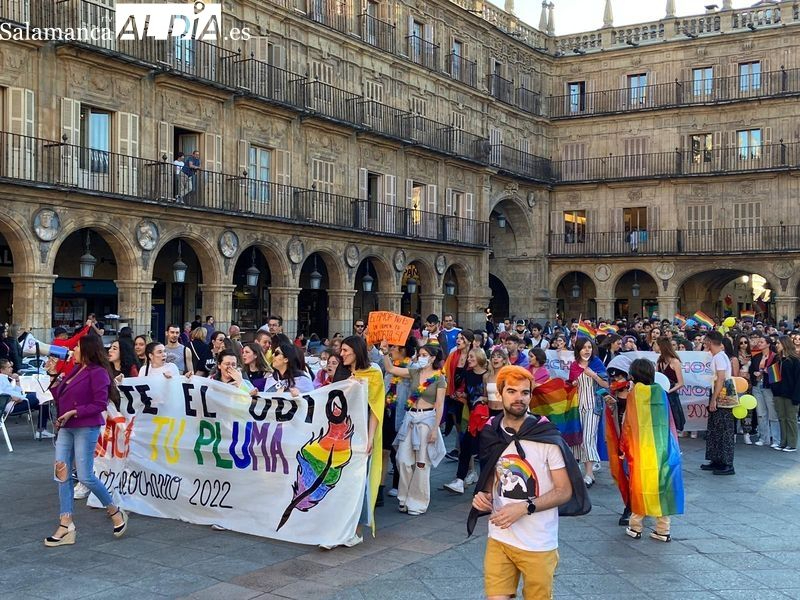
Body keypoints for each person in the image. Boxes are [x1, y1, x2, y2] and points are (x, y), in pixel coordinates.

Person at [467, 366, 590, 600]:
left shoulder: (547, 437)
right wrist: (484, 497)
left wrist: (525, 507)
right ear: (500, 394)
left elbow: (564, 491)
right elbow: (492, 478)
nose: (518, 398)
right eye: (512, 391)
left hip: (538, 542)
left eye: (525, 392)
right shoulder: (491, 433)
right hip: (500, 537)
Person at [44, 335, 128, 546]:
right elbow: (59, 397)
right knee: (61, 473)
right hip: (67, 427)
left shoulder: (98, 373)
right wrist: (53, 375)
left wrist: (75, 412)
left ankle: (113, 510)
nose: (74, 350)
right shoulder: (75, 369)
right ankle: (66, 523)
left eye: (78, 347)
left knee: (86, 476)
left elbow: (100, 404)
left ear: (88, 349)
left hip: (85, 427)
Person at [327, 335, 385, 547]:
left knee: (358, 482)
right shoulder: (342, 372)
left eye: (345, 351)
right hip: (342, 433)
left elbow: (376, 409)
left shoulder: (374, 372)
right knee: (338, 480)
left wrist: (370, 438)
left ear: (357, 352)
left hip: (362, 435)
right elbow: (332, 400)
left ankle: (356, 530)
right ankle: (337, 528)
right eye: (341, 350)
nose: (341, 355)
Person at [618, 359, 684, 542]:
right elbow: (669, 421)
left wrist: (622, 446)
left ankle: (635, 526)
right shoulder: (661, 393)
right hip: (662, 447)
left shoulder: (634, 394)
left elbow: (628, 425)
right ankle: (663, 529)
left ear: (633, 375)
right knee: (662, 485)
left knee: (640, 486)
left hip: (641, 448)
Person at [387, 344, 446, 516]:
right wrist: (385, 352)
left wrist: (435, 429)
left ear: (433, 358)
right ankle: (403, 497)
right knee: (403, 460)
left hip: (427, 420)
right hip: (411, 417)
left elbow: (440, 405)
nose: (420, 357)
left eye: (424, 354)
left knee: (421, 463)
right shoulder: (414, 372)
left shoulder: (439, 378)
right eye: (419, 354)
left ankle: (418, 502)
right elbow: (391, 368)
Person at [444, 347, 488, 494]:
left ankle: (484, 484)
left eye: (472, 357)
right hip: (469, 414)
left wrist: (484, 399)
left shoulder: (487, 376)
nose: (468, 359)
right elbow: (465, 392)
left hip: (484, 417)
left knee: (484, 451)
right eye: (468, 357)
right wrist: (460, 395)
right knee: (465, 447)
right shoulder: (467, 374)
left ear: (480, 358)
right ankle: (459, 480)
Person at [568, 337, 609, 488]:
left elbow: (606, 384)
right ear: (578, 350)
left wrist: (593, 375)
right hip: (576, 407)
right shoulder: (574, 366)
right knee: (578, 439)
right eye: (584, 347)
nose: (587, 350)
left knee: (587, 438)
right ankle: (581, 470)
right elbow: (571, 384)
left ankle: (590, 473)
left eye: (589, 347)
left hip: (593, 405)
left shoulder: (596, 363)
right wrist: (573, 383)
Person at [381, 336, 416, 500]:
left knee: (399, 451)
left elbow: (391, 370)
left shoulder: (412, 367)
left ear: (402, 350)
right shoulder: (390, 368)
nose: (392, 350)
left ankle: (399, 484)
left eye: (394, 348)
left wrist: (384, 352)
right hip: (388, 413)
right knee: (385, 450)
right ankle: (381, 488)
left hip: (402, 414)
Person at [701, 331, 736, 475]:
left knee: (724, 429)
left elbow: (721, 378)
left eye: (705, 342)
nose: (704, 344)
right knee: (715, 428)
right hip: (718, 391)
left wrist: (714, 399)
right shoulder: (718, 356)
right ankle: (716, 459)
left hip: (722, 393)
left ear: (709, 342)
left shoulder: (720, 357)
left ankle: (727, 463)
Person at [748, 332, 780, 447]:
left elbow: (777, 374)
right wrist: (754, 373)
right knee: (761, 413)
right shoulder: (756, 357)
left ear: (768, 344)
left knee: (773, 414)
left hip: (768, 387)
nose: (759, 343)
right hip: (757, 386)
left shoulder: (775, 356)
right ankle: (763, 438)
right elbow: (751, 370)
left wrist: (766, 372)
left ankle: (776, 439)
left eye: (761, 342)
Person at [771, 336, 799, 452]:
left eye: (778, 343)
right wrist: (775, 390)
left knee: (791, 419)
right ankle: (783, 442)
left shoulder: (795, 360)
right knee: (781, 418)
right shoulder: (777, 359)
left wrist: (796, 396)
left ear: (784, 344)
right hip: (779, 394)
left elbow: (798, 380)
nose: (776, 345)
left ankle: (792, 444)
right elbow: (773, 376)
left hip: (791, 394)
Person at [655, 337, 686, 432]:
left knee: (673, 423)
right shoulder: (659, 361)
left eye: (656, 344)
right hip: (660, 395)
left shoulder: (675, 362)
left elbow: (681, 383)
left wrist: (669, 391)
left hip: (671, 396)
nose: (654, 347)